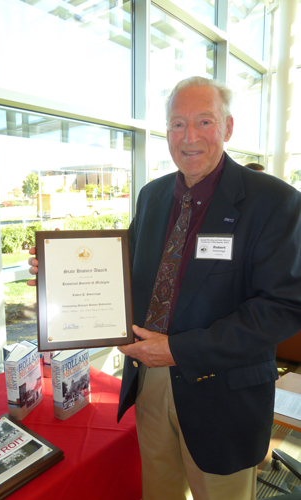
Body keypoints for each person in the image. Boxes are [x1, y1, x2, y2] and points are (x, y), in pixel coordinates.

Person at [28, 76, 301, 500]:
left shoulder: (275, 201)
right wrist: (58, 277)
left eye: (204, 122)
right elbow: (129, 274)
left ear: (227, 128)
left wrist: (179, 350)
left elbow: (283, 307)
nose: (189, 137)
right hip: (149, 381)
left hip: (224, 395)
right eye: (177, 124)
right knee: (159, 492)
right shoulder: (152, 196)